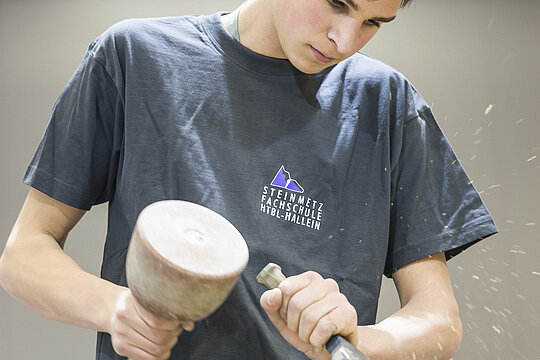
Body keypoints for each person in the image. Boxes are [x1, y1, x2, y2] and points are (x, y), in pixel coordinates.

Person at [0, 0, 498, 359]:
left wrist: (352, 339)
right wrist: (116, 309)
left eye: (373, 22)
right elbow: (24, 255)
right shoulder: (133, 58)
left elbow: (440, 323)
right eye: (337, 4)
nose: (344, 40)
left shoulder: (387, 104)